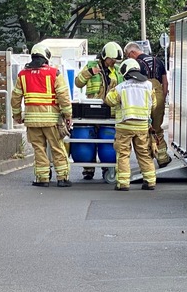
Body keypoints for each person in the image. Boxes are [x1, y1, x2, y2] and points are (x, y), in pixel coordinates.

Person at [11, 43, 73, 188]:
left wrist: (17, 116)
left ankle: (42, 179)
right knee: (57, 147)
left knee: (39, 149)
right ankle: (62, 178)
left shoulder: (22, 75)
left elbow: (15, 98)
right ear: (46, 58)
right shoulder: (54, 73)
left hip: (32, 121)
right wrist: (68, 115)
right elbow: (63, 96)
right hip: (51, 121)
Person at [104, 59, 157, 191]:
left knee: (123, 154)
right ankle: (150, 181)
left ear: (125, 72)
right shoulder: (149, 86)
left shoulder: (121, 87)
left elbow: (109, 101)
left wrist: (111, 89)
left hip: (124, 126)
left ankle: (123, 183)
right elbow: (154, 105)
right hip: (142, 126)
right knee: (144, 153)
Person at [74, 41, 124, 180]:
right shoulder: (91, 66)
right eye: (111, 60)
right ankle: (88, 169)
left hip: (111, 112)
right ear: (104, 56)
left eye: (115, 61)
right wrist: (90, 72)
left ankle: (106, 168)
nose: (113, 63)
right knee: (89, 139)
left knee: (106, 141)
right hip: (92, 111)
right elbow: (78, 82)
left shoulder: (118, 70)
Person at [123, 41, 171, 167]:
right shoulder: (158, 61)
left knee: (144, 130)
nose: (128, 59)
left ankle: (147, 160)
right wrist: (162, 98)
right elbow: (165, 83)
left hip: (144, 99)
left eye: (128, 56)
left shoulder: (136, 64)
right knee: (157, 129)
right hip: (159, 96)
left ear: (132, 52)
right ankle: (162, 158)